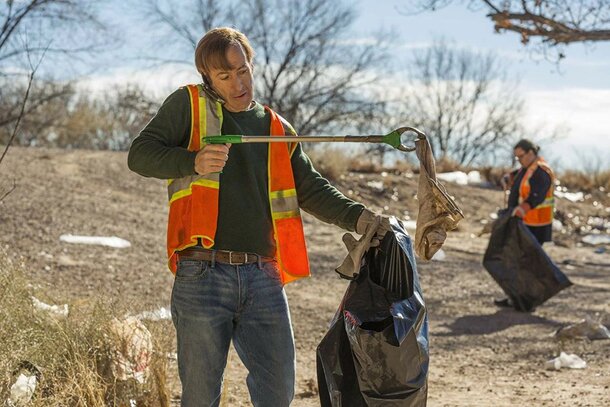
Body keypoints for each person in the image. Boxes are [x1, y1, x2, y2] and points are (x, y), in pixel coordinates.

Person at [127, 27, 389, 407]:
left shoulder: (276, 128)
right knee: (200, 397)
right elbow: (140, 154)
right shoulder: (188, 105)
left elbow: (310, 188)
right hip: (202, 273)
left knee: (278, 391)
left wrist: (360, 218)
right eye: (225, 75)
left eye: (243, 70)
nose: (238, 83)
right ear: (208, 77)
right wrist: (192, 161)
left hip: (263, 277)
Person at [494, 138, 555, 309]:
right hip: (525, 224)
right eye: (516, 158)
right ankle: (516, 298)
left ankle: (527, 301)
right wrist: (509, 177)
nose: (519, 160)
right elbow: (519, 176)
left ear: (531, 153)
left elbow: (537, 195)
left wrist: (522, 208)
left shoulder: (542, 171)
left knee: (527, 264)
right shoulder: (528, 168)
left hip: (536, 226)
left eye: (520, 156)